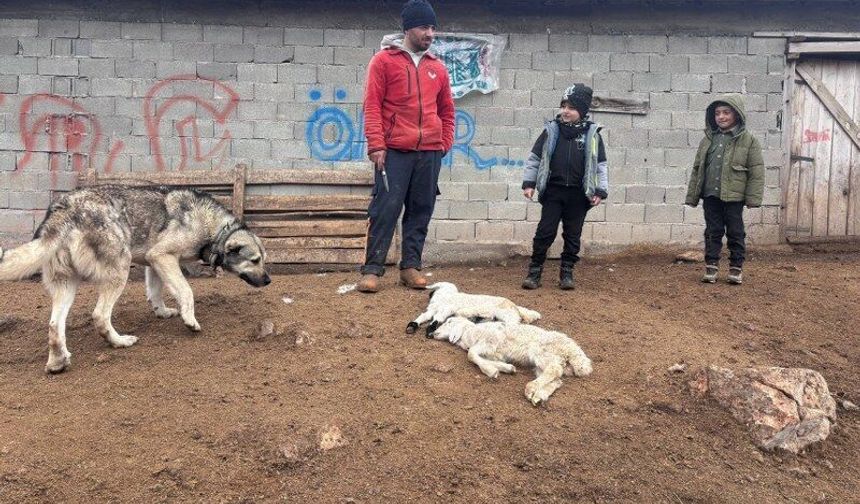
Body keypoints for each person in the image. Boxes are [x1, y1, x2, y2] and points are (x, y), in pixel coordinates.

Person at [357, 0, 455, 293]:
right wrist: (376, 144)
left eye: (433, 28)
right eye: (425, 27)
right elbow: (372, 105)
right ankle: (372, 270)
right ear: (409, 28)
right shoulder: (383, 61)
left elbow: (447, 111)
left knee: (421, 209)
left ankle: (410, 267)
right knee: (385, 208)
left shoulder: (438, 68)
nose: (430, 33)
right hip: (395, 150)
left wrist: (443, 143)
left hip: (429, 152)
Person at [521, 84, 608, 290]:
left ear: (583, 111)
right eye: (563, 106)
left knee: (573, 235)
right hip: (553, 191)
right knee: (545, 232)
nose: (565, 111)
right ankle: (534, 271)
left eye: (571, 107)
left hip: (578, 195)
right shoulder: (551, 131)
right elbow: (534, 159)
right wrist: (529, 183)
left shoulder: (592, 135)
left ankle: (567, 272)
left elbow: (600, 165)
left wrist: (600, 190)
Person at [685, 94, 764, 285]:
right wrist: (693, 195)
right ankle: (711, 267)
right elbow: (698, 169)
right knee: (713, 231)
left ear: (736, 115)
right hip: (710, 194)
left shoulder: (749, 141)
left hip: (734, 197)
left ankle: (736, 269)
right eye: (717, 113)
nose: (721, 117)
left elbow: (756, 171)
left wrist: (753, 198)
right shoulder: (707, 141)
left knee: (736, 232)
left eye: (726, 113)